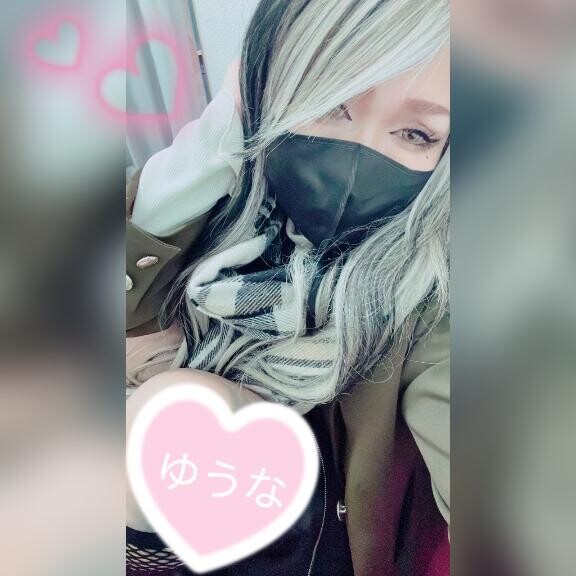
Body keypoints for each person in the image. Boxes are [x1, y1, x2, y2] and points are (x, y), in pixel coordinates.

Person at [126, 1, 450, 574]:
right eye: (330, 104)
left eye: (415, 133)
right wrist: (213, 148)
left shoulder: (436, 291)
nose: (357, 160)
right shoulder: (209, 203)